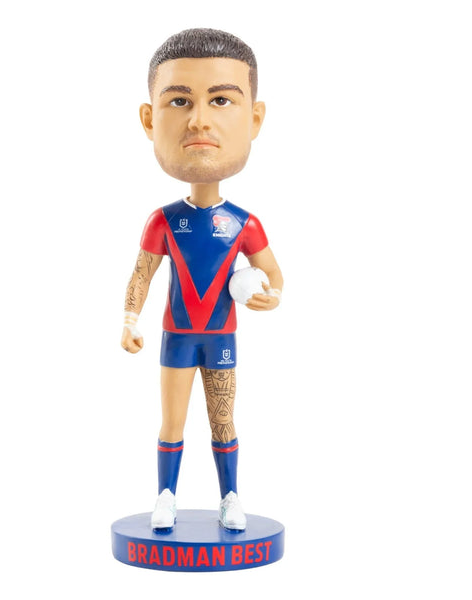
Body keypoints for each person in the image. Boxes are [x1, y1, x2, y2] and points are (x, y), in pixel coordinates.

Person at [121, 28, 283, 532]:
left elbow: (273, 272)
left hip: (220, 336)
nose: (199, 120)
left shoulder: (243, 223)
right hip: (176, 336)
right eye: (180, 101)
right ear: (150, 119)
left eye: (220, 100)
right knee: (172, 422)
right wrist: (129, 319)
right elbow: (142, 274)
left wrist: (271, 295)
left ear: (254, 119)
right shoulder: (164, 219)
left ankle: (230, 496)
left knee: (223, 419)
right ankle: (166, 496)